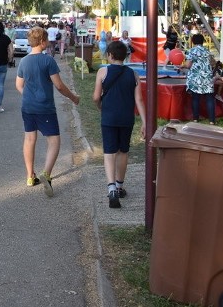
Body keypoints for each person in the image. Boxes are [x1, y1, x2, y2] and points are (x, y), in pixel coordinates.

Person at [15, 26, 80, 196]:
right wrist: (73, 97)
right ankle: (46, 174)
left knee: (29, 139)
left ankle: (30, 176)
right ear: (43, 41)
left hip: (28, 106)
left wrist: (29, 95)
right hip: (45, 108)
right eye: (47, 39)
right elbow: (59, 85)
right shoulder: (48, 60)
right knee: (54, 141)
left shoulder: (24, 61)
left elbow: (18, 85)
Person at [92, 41, 146, 208]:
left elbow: (95, 97)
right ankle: (120, 185)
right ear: (126, 55)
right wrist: (144, 122)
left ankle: (111, 188)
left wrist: (101, 106)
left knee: (109, 152)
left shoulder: (103, 71)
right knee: (123, 151)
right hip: (126, 118)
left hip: (109, 117)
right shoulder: (134, 74)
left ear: (110, 55)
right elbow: (139, 99)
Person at [182, 33, 215, 124]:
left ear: (193, 41)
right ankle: (212, 120)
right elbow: (213, 63)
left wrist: (182, 66)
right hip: (207, 77)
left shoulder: (192, 51)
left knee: (195, 99)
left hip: (196, 78)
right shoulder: (207, 51)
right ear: (203, 41)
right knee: (209, 99)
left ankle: (196, 119)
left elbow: (188, 65)